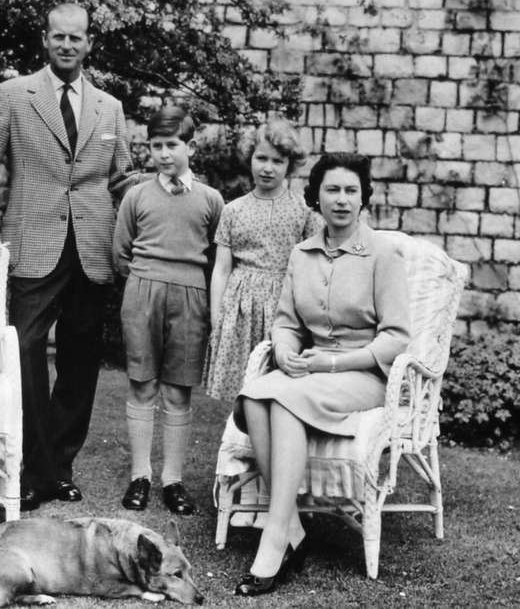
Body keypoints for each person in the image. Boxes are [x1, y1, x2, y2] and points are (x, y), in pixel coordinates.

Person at [0, 3, 140, 511]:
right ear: (46, 40)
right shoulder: (15, 95)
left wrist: (166, 186)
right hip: (33, 245)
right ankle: (34, 467)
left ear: (89, 45)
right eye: (58, 37)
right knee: (25, 352)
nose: (67, 45)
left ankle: (58, 468)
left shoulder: (109, 106)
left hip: (93, 249)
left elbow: (121, 179)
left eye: (76, 38)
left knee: (82, 360)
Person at [232, 152, 411, 596]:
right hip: (311, 371)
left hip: (362, 374)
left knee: (287, 400)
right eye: (332, 189)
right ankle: (291, 523)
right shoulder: (302, 254)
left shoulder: (383, 255)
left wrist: (332, 362)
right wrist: (287, 351)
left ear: (364, 198)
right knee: (256, 395)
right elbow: (286, 322)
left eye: (352, 190)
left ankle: (275, 539)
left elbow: (395, 338)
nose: (342, 200)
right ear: (317, 197)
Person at [112, 106, 224, 515]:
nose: (163, 153)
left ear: (190, 147)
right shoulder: (137, 194)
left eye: (172, 145)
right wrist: (146, 281)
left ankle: (172, 480)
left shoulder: (211, 200)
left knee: (177, 390)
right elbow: (120, 252)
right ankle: (140, 475)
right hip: (143, 291)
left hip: (191, 295)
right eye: (156, 145)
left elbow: (218, 256)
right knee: (142, 384)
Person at [204, 119, 320, 401]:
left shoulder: (302, 212)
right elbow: (221, 269)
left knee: (277, 386)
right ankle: (238, 441)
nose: (267, 168)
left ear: (289, 166)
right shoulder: (233, 210)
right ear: (250, 159)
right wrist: (217, 316)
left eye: (277, 161)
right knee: (241, 388)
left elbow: (313, 265)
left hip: (283, 304)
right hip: (241, 306)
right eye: (261, 158)